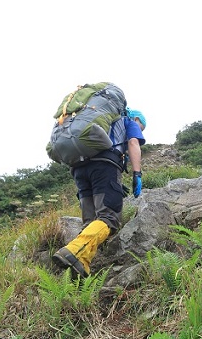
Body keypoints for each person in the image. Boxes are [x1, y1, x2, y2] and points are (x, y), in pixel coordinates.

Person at [53, 107, 146, 277]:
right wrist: (137, 173)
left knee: (91, 220)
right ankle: (74, 251)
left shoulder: (95, 123)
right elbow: (133, 143)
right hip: (104, 165)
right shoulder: (128, 121)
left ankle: (81, 265)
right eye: (142, 128)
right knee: (109, 218)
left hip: (79, 169)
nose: (140, 131)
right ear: (137, 119)